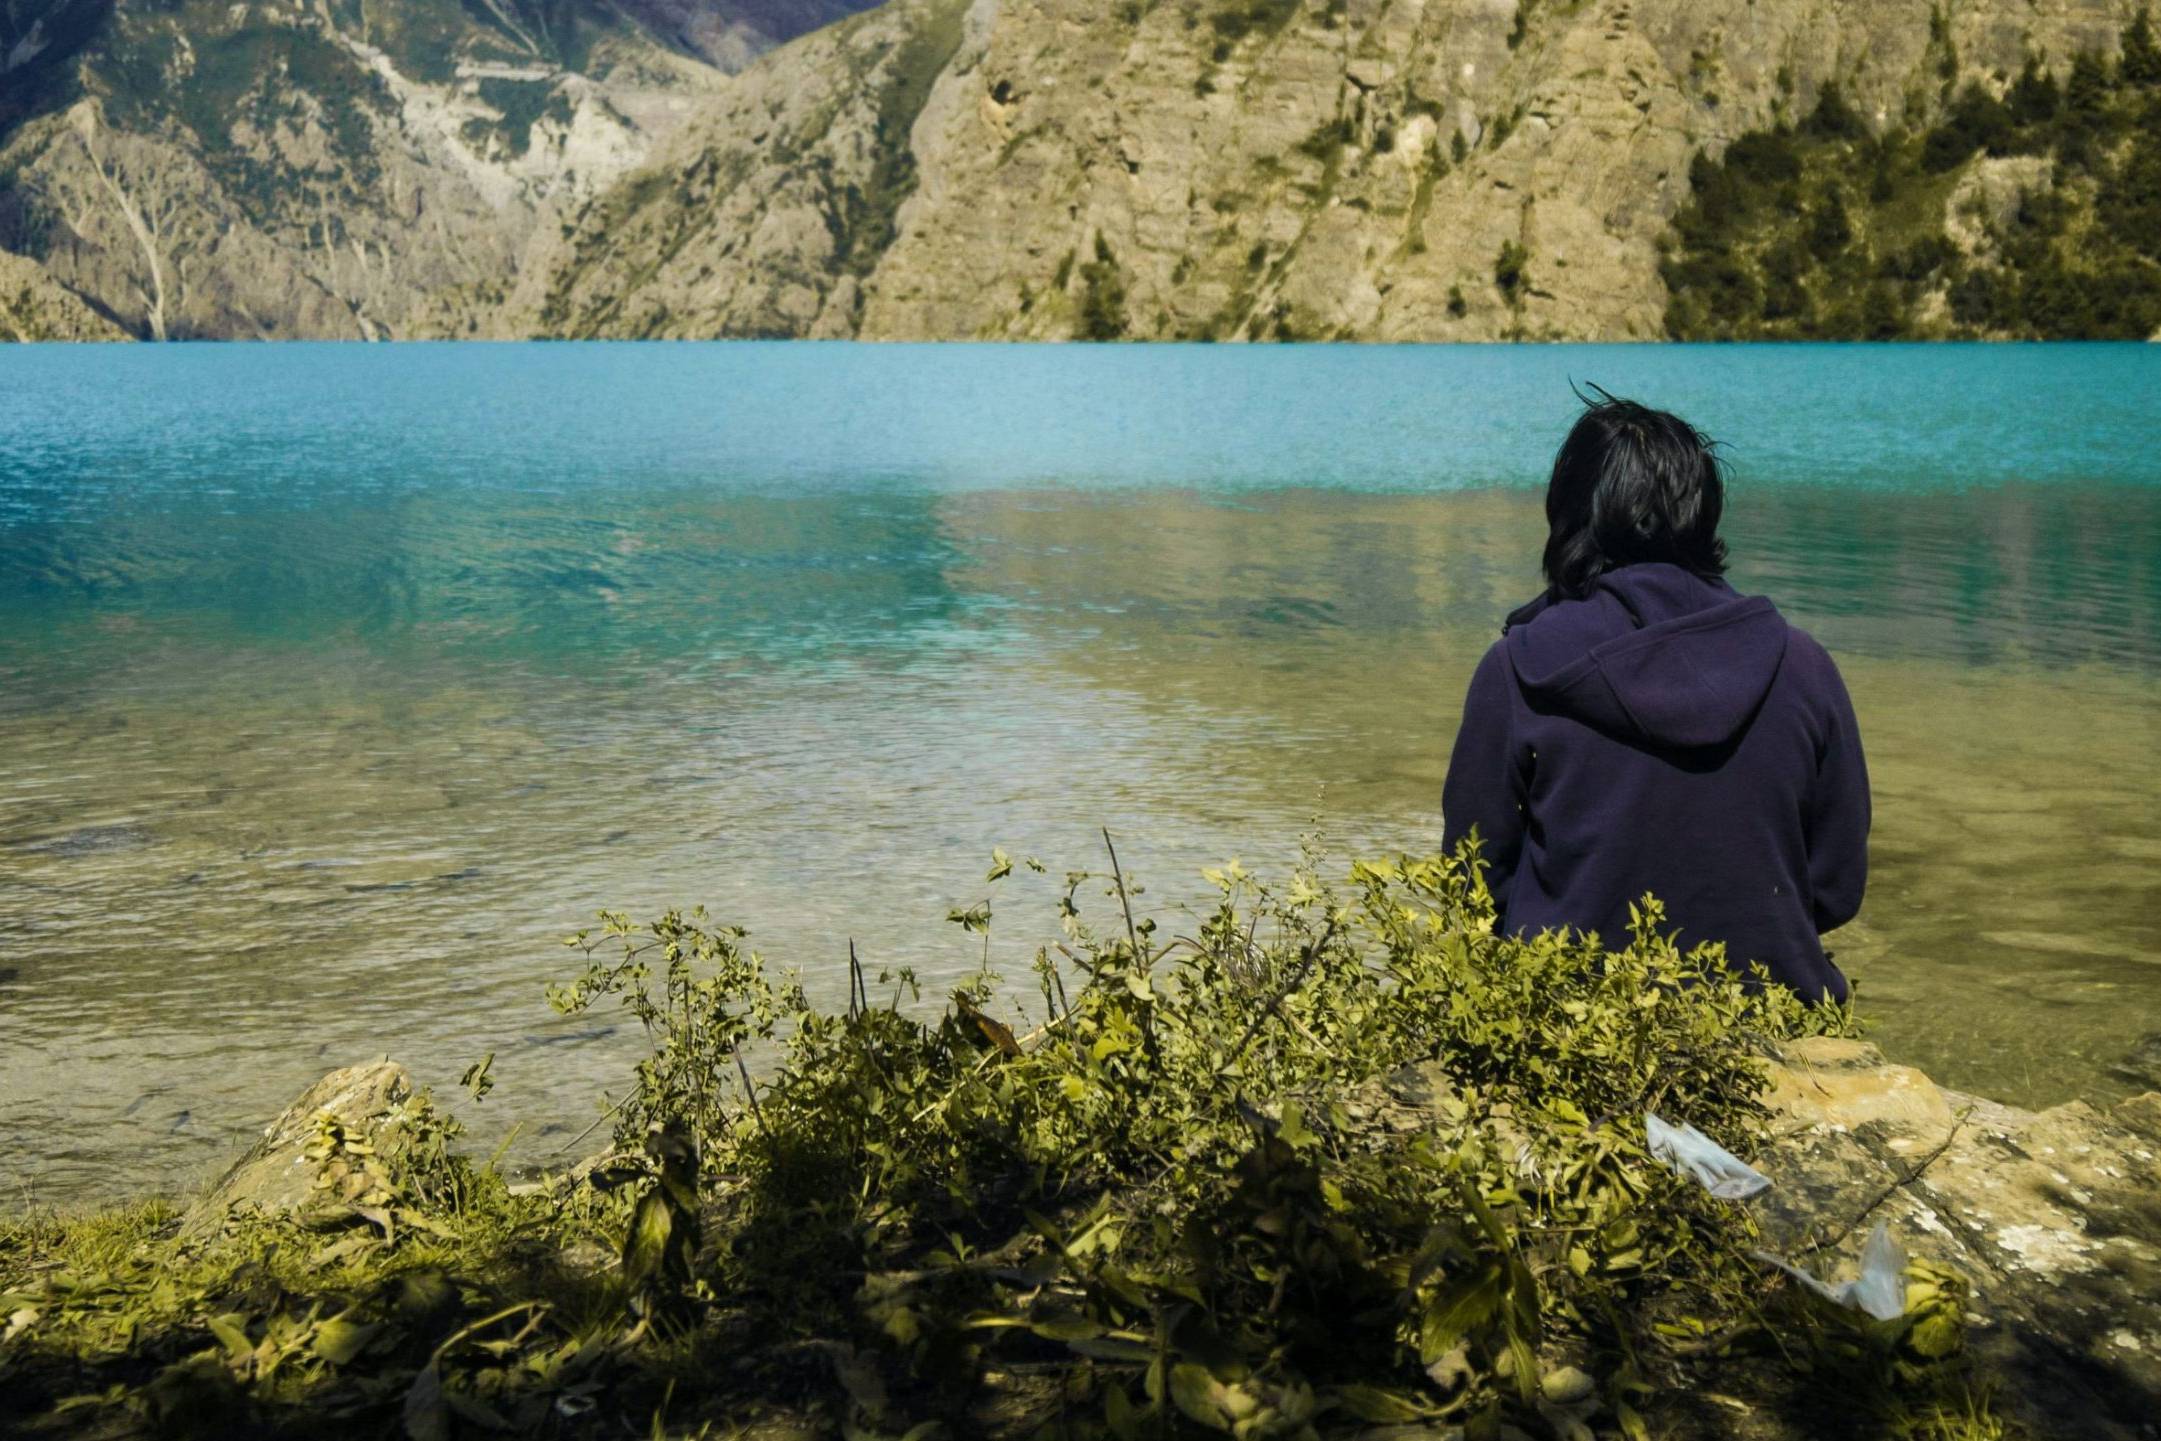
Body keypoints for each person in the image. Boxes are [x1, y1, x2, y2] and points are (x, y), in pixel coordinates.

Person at [1440, 390, 1869, 1001]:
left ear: (1568, 513)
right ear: (1704, 512)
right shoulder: (1802, 664)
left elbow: (1473, 876)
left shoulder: (1519, 668)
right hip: (1769, 1012)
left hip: (1570, 1027)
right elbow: (1836, 885)